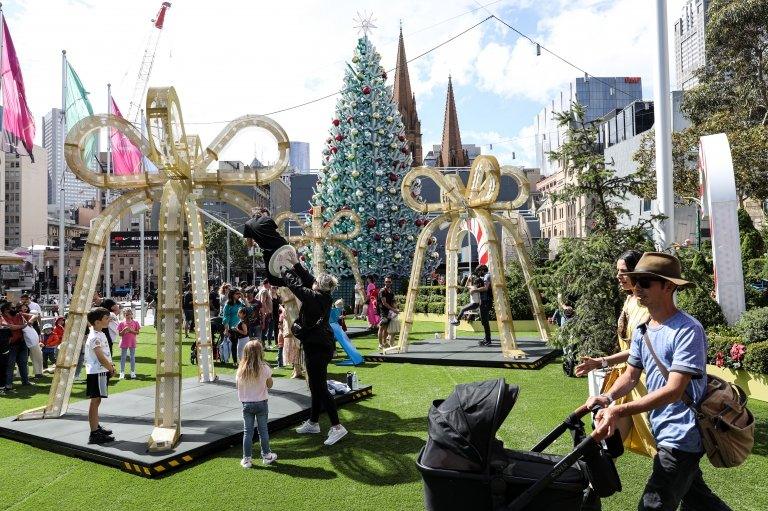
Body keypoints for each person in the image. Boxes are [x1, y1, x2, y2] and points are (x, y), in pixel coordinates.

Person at [585, 252, 731, 511]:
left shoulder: (688, 330)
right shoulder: (643, 331)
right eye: (636, 281)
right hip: (662, 431)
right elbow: (630, 376)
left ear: (668, 286)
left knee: (653, 505)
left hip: (683, 436)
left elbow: (675, 390)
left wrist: (617, 410)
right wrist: (607, 398)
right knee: (699, 501)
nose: (637, 288)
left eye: (645, 282)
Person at [575, 250, 655, 457]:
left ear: (638, 274)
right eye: (617, 271)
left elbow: (636, 350)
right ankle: (595, 484)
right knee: (608, 435)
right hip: (626, 379)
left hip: (642, 380)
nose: (618, 276)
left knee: (655, 441)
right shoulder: (630, 300)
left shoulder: (648, 308)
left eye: (623, 272)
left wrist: (601, 362)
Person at [282, 263, 348, 446]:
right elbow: (308, 277)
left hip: (318, 347)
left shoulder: (312, 297)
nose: (313, 281)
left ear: (319, 285)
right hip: (320, 345)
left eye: (315, 281)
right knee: (315, 385)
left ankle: (337, 427)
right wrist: (295, 264)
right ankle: (313, 422)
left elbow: (294, 285)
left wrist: (284, 270)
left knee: (319, 387)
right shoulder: (324, 296)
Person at [237, 340, 277, 467]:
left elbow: (238, 386)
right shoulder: (265, 368)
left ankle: (247, 459)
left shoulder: (241, 369)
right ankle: (266, 455)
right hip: (261, 403)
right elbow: (270, 385)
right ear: (261, 353)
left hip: (246, 405)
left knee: (247, 432)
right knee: (263, 431)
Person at [84, 307, 116, 444]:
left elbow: (105, 354)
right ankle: (94, 433)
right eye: (106, 318)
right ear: (97, 322)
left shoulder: (99, 332)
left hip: (101, 371)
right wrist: (110, 368)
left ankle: (96, 427)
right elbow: (100, 356)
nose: (109, 320)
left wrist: (110, 365)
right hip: (97, 371)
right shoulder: (95, 336)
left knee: (97, 400)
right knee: (95, 400)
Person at [2, 301, 33, 391]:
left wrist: (30, 321)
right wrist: (24, 325)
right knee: (10, 365)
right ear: (5, 310)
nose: (15, 309)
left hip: (22, 343)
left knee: (23, 363)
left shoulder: (19, 314)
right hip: (10, 345)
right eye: (12, 308)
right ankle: (8, 384)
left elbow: (34, 315)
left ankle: (25, 382)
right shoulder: (1, 318)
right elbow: (10, 327)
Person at [19, 302, 44, 379]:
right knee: (23, 358)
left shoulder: (30, 313)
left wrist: (31, 321)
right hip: (22, 339)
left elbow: (36, 316)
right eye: (23, 307)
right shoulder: (18, 315)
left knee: (36, 356)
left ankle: (38, 373)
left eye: (26, 306)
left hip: (32, 338)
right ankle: (22, 374)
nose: (25, 308)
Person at [117, 308, 140, 380]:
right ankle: (122, 372)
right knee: (123, 357)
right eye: (126, 314)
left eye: (129, 314)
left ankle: (132, 372)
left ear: (132, 314)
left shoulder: (135, 322)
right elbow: (120, 334)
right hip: (124, 342)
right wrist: (124, 330)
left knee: (132, 357)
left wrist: (131, 330)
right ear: (124, 315)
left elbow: (137, 332)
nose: (128, 316)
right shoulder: (121, 323)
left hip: (132, 342)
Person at [222, 288, 244, 364]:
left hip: (241, 327)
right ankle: (235, 361)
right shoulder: (228, 305)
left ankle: (242, 360)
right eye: (237, 293)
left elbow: (248, 308)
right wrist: (226, 329)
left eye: (239, 293)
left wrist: (244, 298)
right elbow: (226, 318)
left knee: (242, 344)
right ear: (232, 295)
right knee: (234, 344)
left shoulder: (240, 303)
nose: (239, 295)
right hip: (232, 328)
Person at [473, 265, 493, 346]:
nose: (478, 273)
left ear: (482, 270)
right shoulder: (485, 276)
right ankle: (486, 338)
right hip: (484, 301)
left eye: (478, 271)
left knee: (485, 321)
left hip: (486, 301)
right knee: (483, 321)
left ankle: (488, 340)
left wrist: (475, 290)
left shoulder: (487, 276)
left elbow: (485, 288)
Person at [377, 276, 398, 350]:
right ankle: (380, 344)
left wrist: (396, 308)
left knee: (386, 328)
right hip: (383, 312)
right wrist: (393, 309)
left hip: (389, 312)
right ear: (384, 282)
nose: (388, 283)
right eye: (386, 281)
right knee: (381, 327)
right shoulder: (382, 291)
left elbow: (393, 302)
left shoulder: (391, 292)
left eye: (389, 281)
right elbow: (384, 303)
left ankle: (384, 342)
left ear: (391, 282)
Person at [257, 280, 273, 347]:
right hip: (265, 314)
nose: (270, 285)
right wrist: (266, 311)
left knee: (263, 330)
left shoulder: (261, 290)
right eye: (270, 283)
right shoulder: (264, 291)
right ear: (267, 283)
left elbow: (256, 298)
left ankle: (262, 345)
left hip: (264, 313)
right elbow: (262, 301)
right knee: (264, 330)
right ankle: (262, 346)